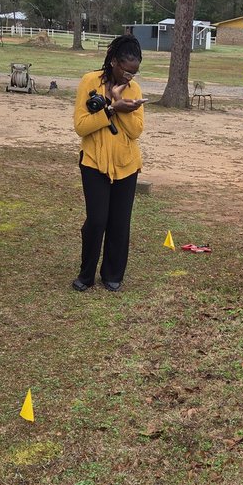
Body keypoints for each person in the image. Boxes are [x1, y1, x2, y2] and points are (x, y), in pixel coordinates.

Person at [72, 35, 146, 292]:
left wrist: (120, 106)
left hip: (126, 165)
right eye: (126, 71)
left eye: (134, 73)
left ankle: (113, 274)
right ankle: (86, 274)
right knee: (97, 220)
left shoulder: (134, 90)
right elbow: (81, 127)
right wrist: (112, 109)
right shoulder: (89, 82)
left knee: (119, 222)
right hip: (94, 163)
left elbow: (136, 131)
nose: (129, 78)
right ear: (113, 61)